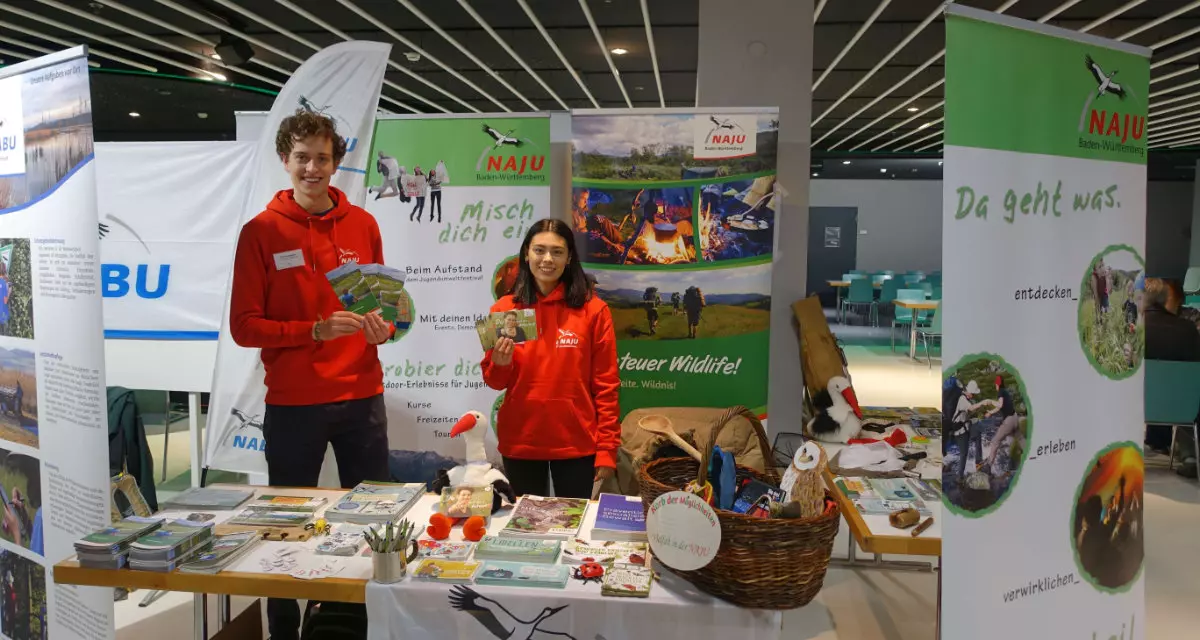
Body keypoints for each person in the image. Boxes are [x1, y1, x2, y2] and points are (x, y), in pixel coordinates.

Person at [229, 108, 394, 640]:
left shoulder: (364, 225)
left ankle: (365, 624)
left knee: (374, 527)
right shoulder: (260, 233)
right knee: (284, 530)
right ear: (285, 160)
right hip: (295, 403)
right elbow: (244, 326)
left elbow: (385, 311)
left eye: (323, 158)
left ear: (337, 161)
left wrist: (381, 330)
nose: (312, 168)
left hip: (361, 397)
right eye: (302, 157)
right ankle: (283, 630)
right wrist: (312, 331)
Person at [481, 219, 620, 499]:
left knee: (574, 527)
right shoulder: (504, 309)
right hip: (521, 442)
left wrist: (606, 449)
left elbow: (607, 385)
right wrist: (501, 363)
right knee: (524, 528)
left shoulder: (594, 310)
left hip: (577, 444)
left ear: (569, 257)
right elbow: (494, 382)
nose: (547, 259)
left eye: (557, 252)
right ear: (526, 254)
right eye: (539, 250)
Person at [951, 380, 993, 478]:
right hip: (959, 432)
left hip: (964, 427)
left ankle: (978, 462)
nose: (973, 396)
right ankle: (959, 477)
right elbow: (971, 408)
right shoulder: (962, 399)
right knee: (964, 454)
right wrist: (982, 402)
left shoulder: (964, 398)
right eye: (973, 393)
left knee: (977, 432)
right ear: (968, 391)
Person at [981, 375, 1024, 470]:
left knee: (995, 441)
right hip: (1015, 417)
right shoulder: (1005, 392)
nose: (995, 386)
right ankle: (1028, 453)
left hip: (1009, 421)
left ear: (997, 384)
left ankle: (989, 465)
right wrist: (990, 413)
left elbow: (999, 405)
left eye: (995, 384)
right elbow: (1000, 406)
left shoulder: (1000, 392)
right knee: (1020, 438)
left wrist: (990, 401)